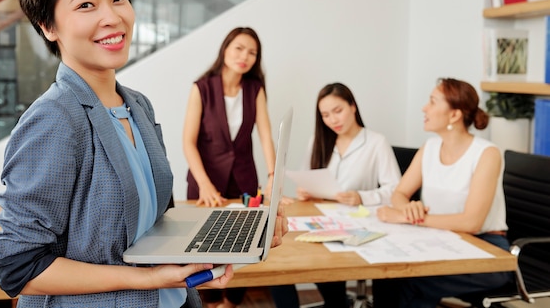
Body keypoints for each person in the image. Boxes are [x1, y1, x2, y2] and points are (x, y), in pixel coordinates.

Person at [0, 0, 288, 308]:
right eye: (86, 5)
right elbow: (20, 267)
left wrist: (234, 232)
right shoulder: (54, 119)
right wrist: (148, 278)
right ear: (48, 26)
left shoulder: (138, 106)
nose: (113, 17)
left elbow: (153, 223)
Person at [374, 78, 512, 308]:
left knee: (410, 281)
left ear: (454, 115)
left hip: (487, 251)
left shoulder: (487, 154)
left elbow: (472, 222)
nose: (424, 108)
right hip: (442, 241)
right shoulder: (430, 148)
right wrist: (407, 208)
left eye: (432, 102)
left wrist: (409, 218)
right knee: (386, 274)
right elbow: (399, 193)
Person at [271, 82, 401, 308]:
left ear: (352, 106)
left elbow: (396, 191)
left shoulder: (376, 142)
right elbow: (307, 176)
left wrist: (361, 197)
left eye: (338, 111)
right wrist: (305, 191)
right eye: (326, 115)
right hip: (320, 220)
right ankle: (335, 302)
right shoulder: (319, 140)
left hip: (358, 223)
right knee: (277, 258)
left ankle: (336, 302)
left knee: (322, 263)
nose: (333, 120)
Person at [182, 26, 277, 308]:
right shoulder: (202, 88)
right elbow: (188, 142)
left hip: (244, 180)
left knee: (242, 246)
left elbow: (265, 136)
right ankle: (209, 301)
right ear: (225, 49)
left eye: (252, 52)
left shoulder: (255, 90)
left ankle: (231, 302)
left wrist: (272, 176)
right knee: (204, 249)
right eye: (239, 48)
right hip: (205, 182)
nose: (244, 56)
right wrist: (206, 185)